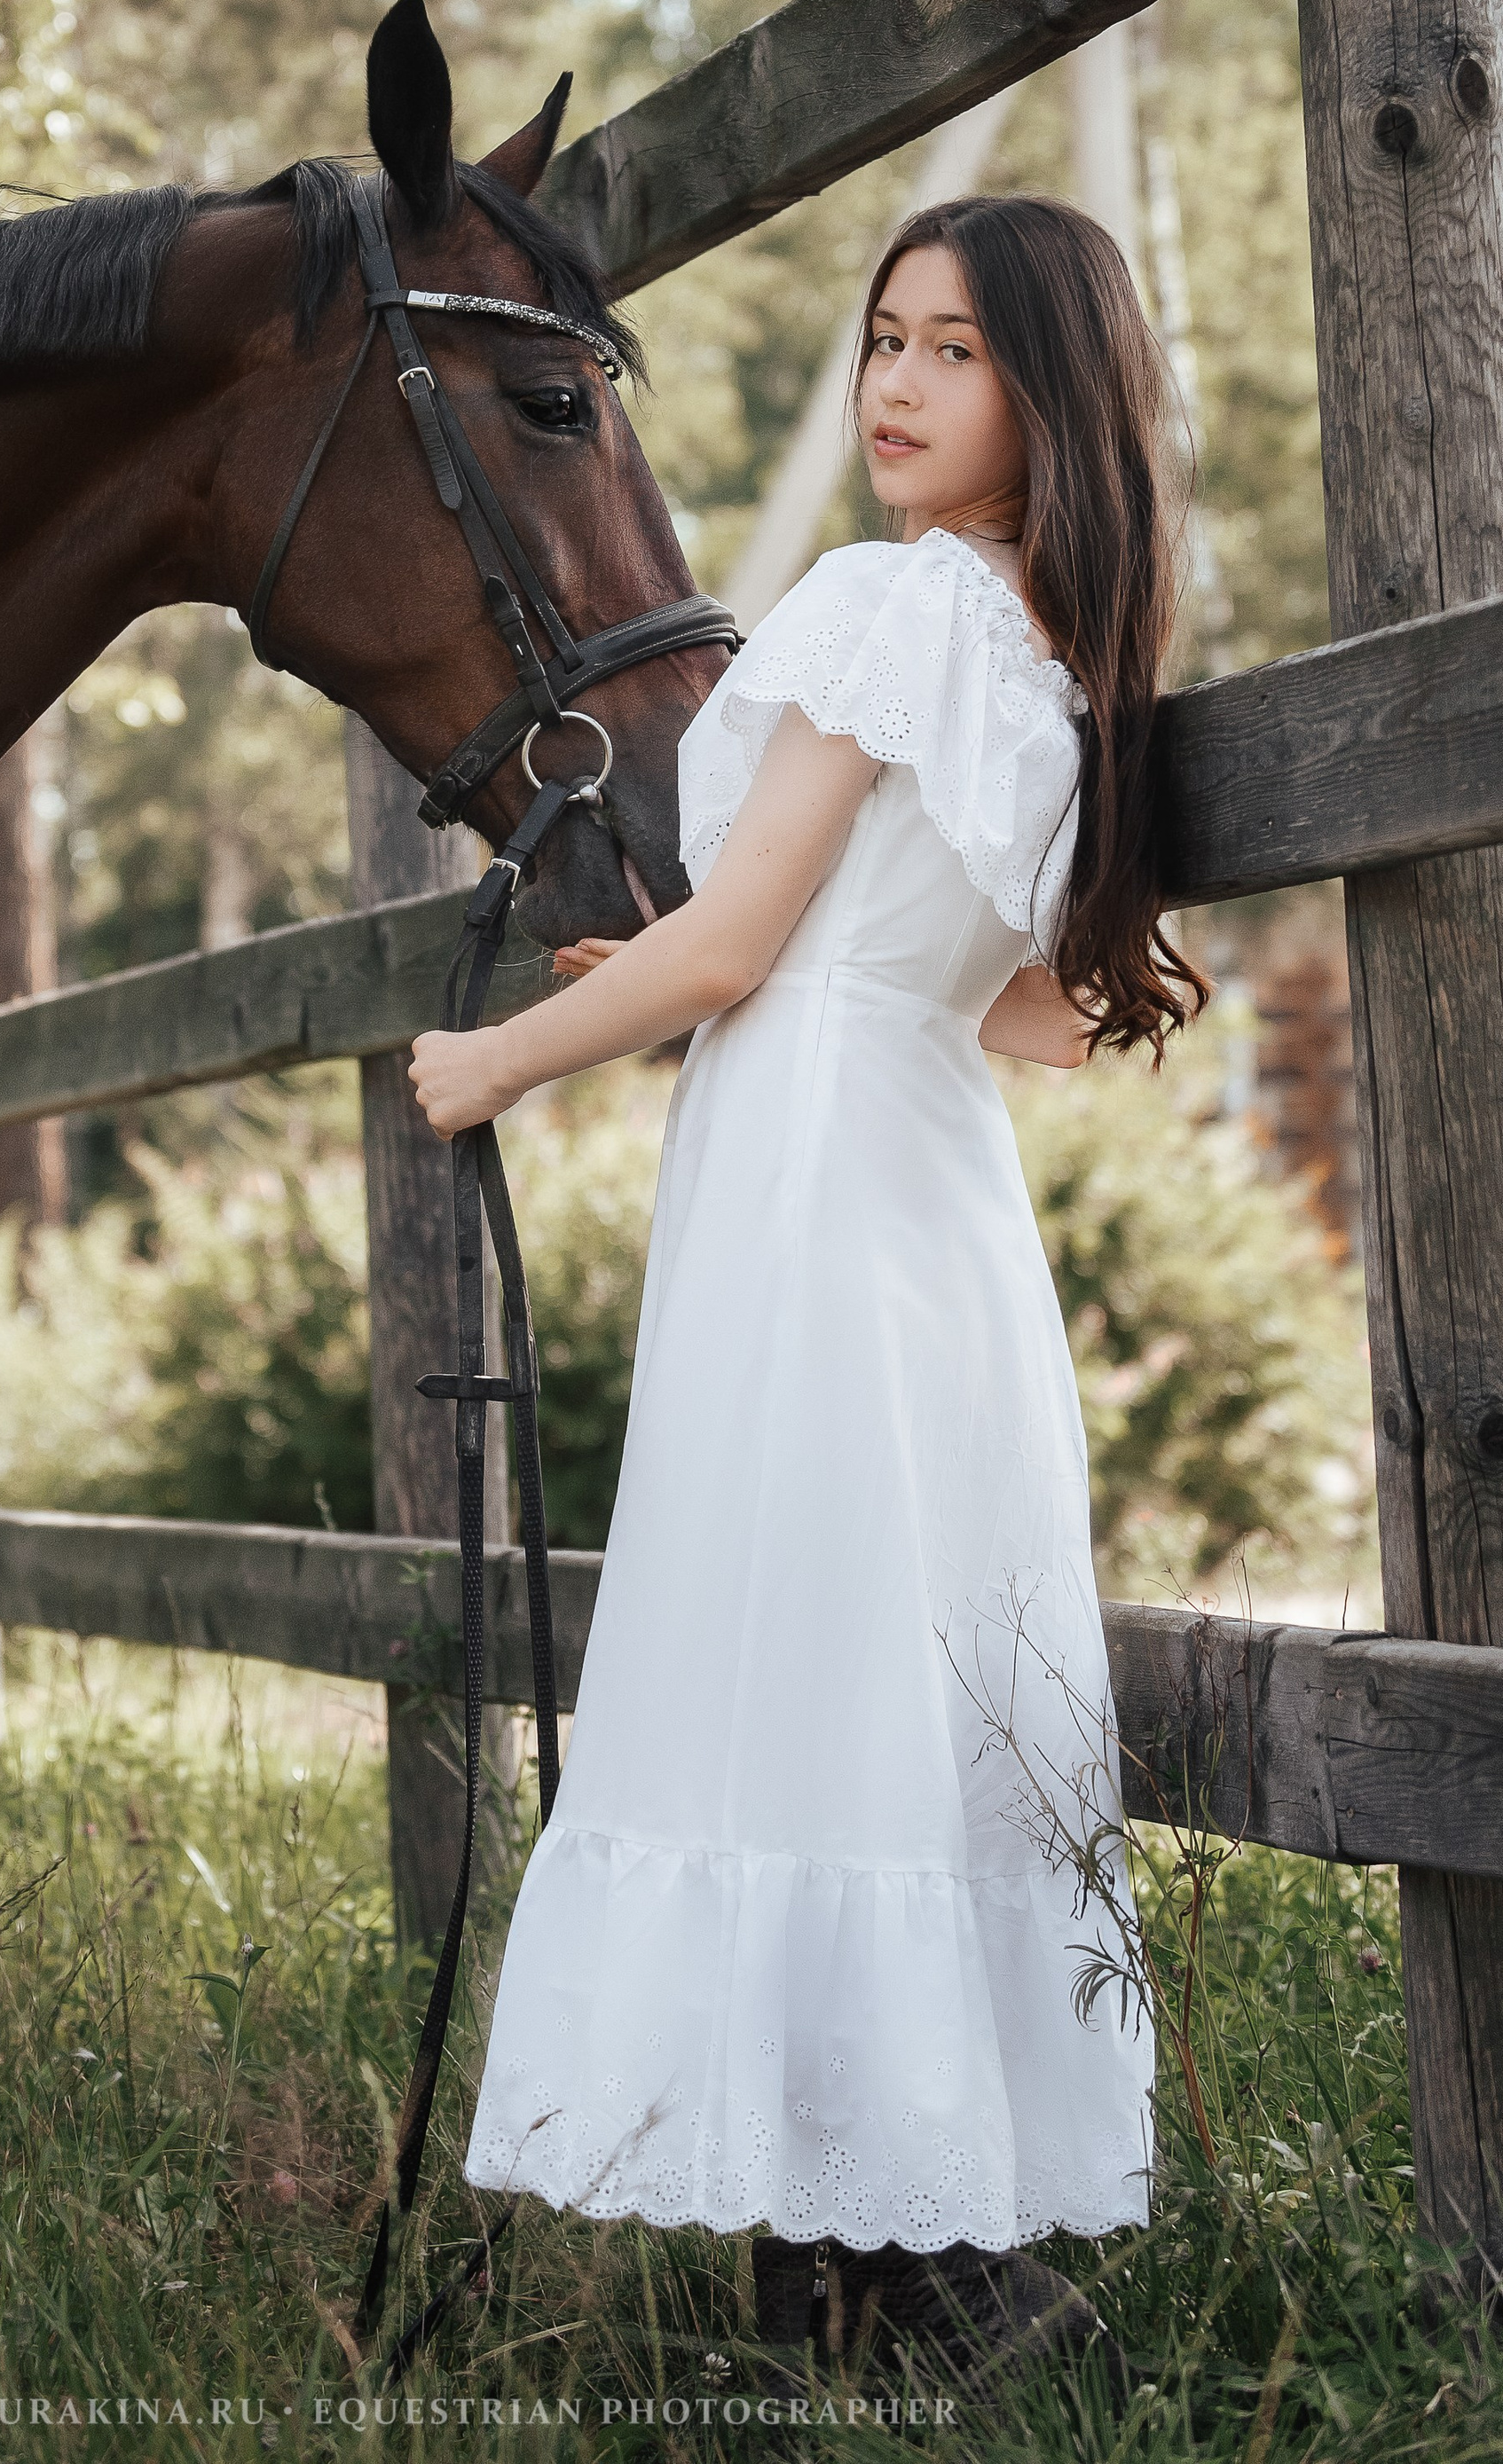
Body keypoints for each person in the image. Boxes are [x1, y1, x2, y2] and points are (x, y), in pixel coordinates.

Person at [409, 192, 1205, 2375]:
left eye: (950, 348)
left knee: (781, 1667)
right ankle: (878, 2257)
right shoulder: (1058, 665)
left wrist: (487, 1062)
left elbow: (741, 941)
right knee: (890, 1676)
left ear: (1052, 388)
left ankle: (858, 2267)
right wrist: (722, 981)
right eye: (881, 338)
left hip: (805, 1192)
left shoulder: (879, 605)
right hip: (923, 1199)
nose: (891, 382)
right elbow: (1009, 1008)